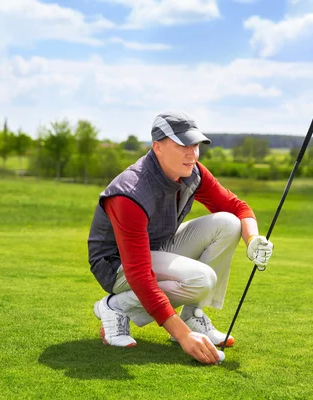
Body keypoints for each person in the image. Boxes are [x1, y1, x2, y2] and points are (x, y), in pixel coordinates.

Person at [87, 110, 274, 365]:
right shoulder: (130, 192)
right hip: (116, 265)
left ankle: (192, 315)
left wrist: (252, 240)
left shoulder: (192, 172)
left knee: (229, 224)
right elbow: (139, 274)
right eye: (182, 144)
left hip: (157, 250)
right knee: (202, 279)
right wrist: (184, 337)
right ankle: (117, 306)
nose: (192, 153)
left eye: (195, 144)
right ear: (158, 147)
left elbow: (237, 208)